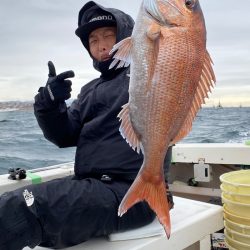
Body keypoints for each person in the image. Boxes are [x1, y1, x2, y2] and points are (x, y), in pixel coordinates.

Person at [0, 1, 173, 249]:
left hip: (134, 193)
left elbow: (175, 66)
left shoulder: (149, 74)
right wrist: (50, 103)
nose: (101, 44)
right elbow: (64, 135)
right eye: (93, 40)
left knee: (17, 208)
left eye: (108, 36)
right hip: (91, 186)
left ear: (126, 37)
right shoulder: (90, 89)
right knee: (16, 202)